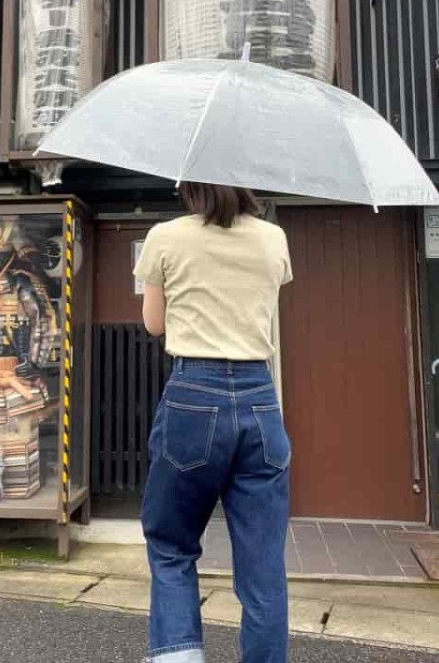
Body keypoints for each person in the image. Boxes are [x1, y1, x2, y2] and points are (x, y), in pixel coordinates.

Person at [133, 182, 294, 663]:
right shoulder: (273, 238)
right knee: (263, 565)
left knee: (172, 543)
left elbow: (154, 324)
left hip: (193, 394)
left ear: (192, 185)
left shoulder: (166, 235)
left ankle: (179, 656)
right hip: (259, 397)